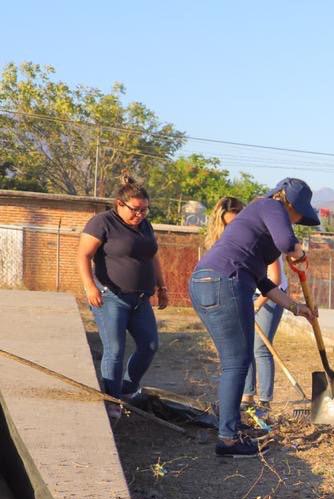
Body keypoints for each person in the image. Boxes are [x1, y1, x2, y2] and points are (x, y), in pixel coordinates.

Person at [189, 179, 317, 458]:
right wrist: (300, 253)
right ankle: (228, 439)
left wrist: (297, 308)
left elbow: (265, 284)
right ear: (290, 203)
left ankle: (231, 429)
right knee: (237, 363)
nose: (296, 220)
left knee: (235, 362)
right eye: (298, 214)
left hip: (206, 281)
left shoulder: (256, 225)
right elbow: (287, 242)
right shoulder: (271, 205)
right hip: (225, 282)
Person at [76, 174, 168, 416]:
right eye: (136, 210)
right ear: (120, 203)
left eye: (145, 210)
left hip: (140, 299)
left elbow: (153, 257)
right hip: (110, 297)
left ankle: (126, 389)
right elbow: (83, 255)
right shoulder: (102, 222)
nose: (140, 215)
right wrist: (90, 287)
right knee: (115, 349)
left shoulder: (145, 226)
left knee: (149, 345)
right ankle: (111, 400)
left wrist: (162, 287)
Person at [206, 196, 286, 422]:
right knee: (243, 351)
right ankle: (246, 397)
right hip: (241, 292)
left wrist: (256, 303)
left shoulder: (261, 237)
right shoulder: (224, 245)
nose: (233, 228)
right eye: (228, 225)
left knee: (260, 349)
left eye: (236, 222)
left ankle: (264, 401)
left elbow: (274, 279)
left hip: (269, 296)